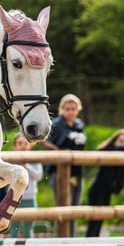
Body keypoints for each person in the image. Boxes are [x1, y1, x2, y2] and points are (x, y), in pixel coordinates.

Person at [41, 94, 87, 235]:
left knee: (75, 207)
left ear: (78, 110)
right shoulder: (55, 124)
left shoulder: (79, 125)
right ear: (62, 109)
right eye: (67, 109)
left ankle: (72, 237)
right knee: (62, 206)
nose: (70, 112)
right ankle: (60, 237)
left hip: (77, 170)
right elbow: (41, 139)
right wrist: (59, 151)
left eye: (73, 109)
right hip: (59, 170)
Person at [86, 129, 124, 238]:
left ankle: (95, 242)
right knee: (94, 221)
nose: (123, 145)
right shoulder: (108, 150)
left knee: (101, 220)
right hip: (97, 191)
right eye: (120, 141)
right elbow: (103, 149)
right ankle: (89, 242)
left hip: (109, 192)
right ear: (114, 142)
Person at [7, 134, 44, 239]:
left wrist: (26, 166)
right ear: (15, 146)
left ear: (30, 145)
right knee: (13, 229)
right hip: (13, 198)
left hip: (30, 198)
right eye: (20, 143)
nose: (23, 146)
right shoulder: (10, 160)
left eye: (26, 143)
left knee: (29, 229)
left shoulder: (35, 160)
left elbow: (39, 176)